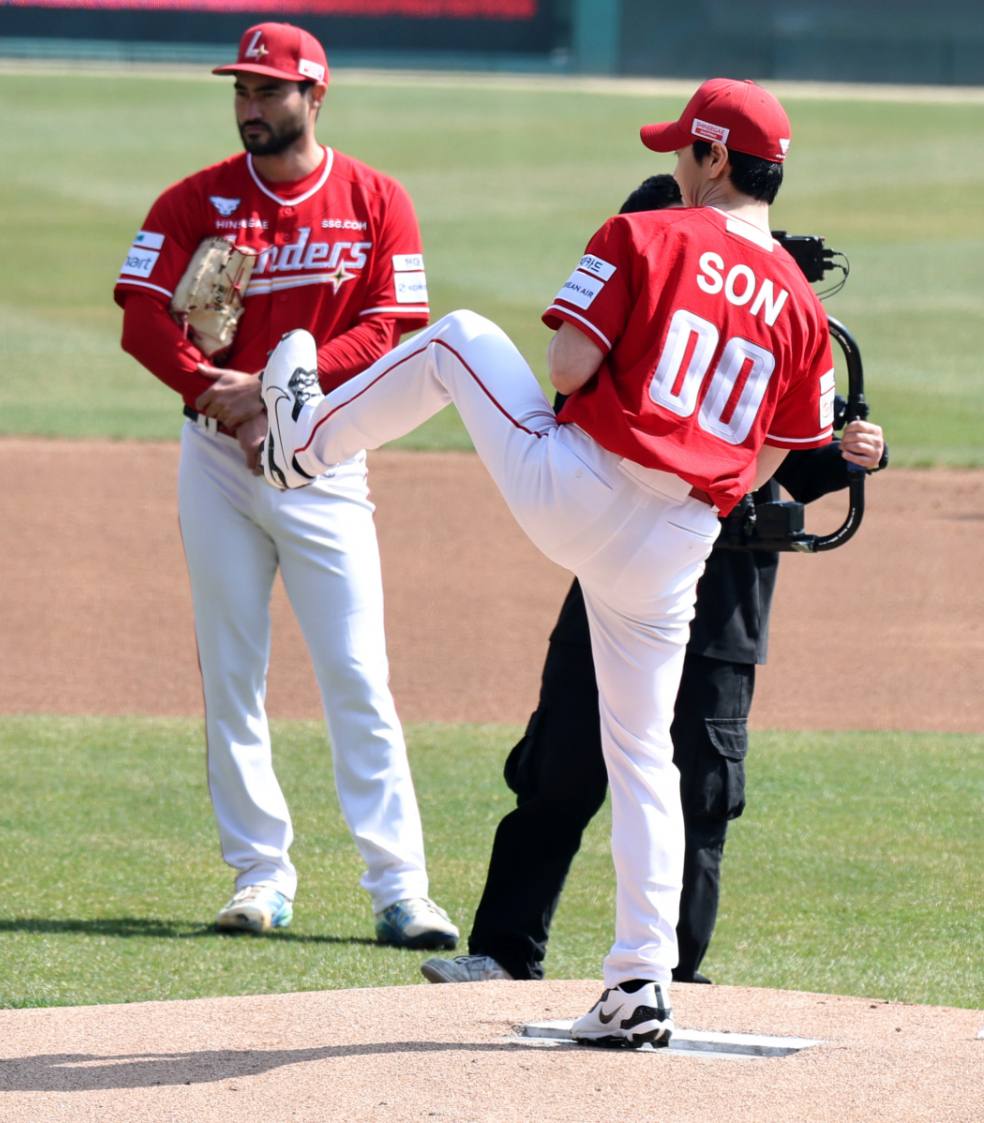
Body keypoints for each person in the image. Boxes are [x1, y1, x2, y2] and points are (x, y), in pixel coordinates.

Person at [260, 79, 835, 1048]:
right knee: (645, 752)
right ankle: (639, 981)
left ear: (715, 156)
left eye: (684, 149)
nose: (676, 165)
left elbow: (567, 368)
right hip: (679, 547)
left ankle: (302, 446)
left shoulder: (645, 234)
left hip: (579, 486)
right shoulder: (801, 303)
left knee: (458, 339)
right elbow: (778, 452)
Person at [419, 175, 887, 991]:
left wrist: (853, 451)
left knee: (701, 787)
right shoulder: (637, 326)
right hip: (623, 569)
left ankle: (673, 973)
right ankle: (504, 951)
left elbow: (801, 454)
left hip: (724, 595)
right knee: (559, 763)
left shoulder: (766, 325)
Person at [115, 21, 458, 951]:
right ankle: (260, 876)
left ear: (316, 94)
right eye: (241, 89)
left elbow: (388, 327)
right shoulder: (195, 201)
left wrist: (273, 390)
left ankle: (401, 889)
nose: (250, 106)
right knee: (233, 674)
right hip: (217, 461)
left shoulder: (376, 199)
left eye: (268, 90)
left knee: (357, 673)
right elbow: (142, 320)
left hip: (325, 457)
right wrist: (213, 393)